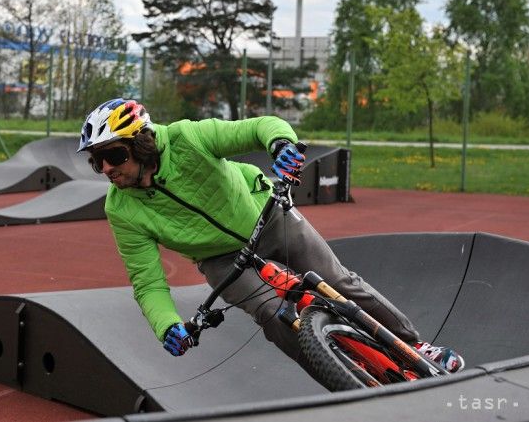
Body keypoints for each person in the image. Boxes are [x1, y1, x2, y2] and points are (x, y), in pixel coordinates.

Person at [78, 98, 465, 375]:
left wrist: (280, 144)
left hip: (264, 212)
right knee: (272, 316)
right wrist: (166, 325)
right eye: (97, 162)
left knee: (337, 279)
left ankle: (415, 345)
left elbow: (260, 126)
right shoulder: (120, 208)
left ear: (141, 143)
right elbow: (147, 282)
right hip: (219, 258)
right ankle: (345, 381)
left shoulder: (188, 138)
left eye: (113, 155)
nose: (106, 169)